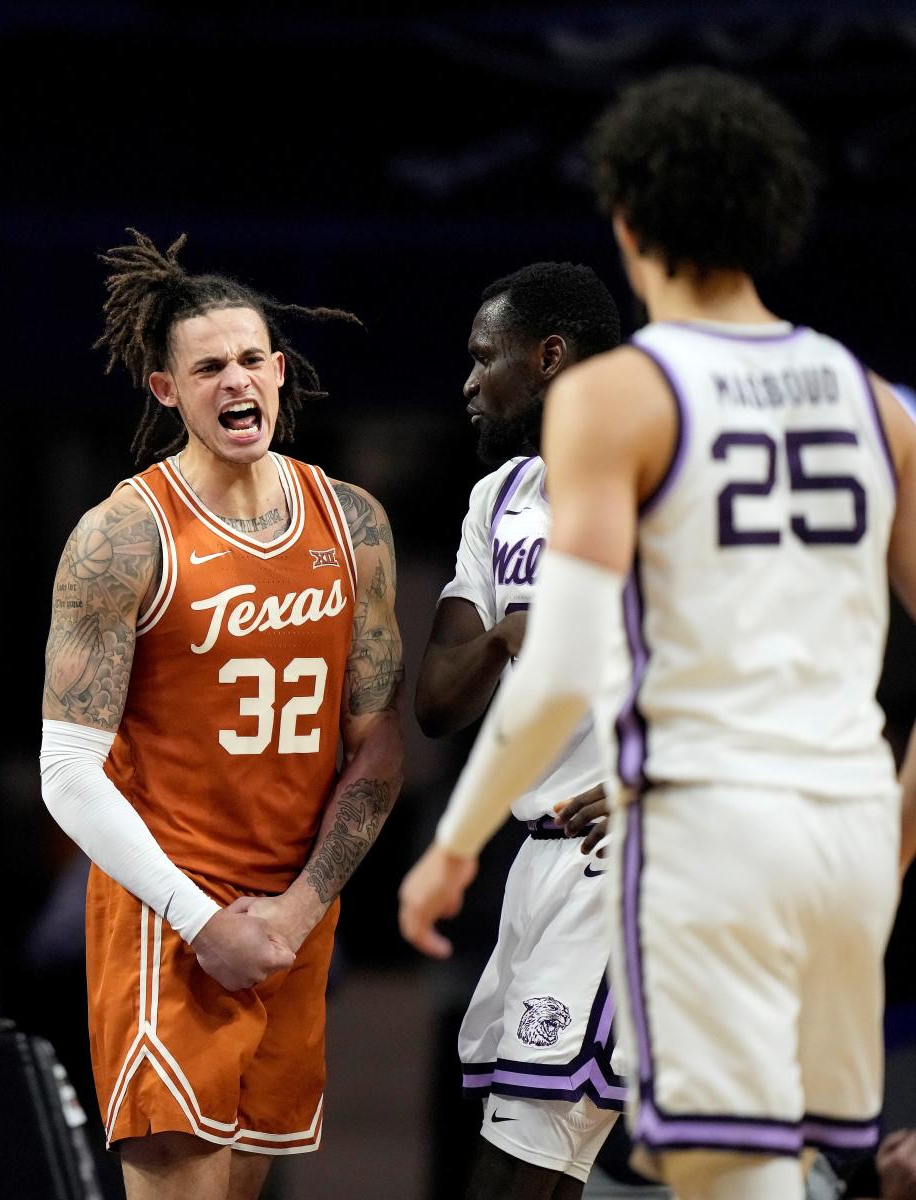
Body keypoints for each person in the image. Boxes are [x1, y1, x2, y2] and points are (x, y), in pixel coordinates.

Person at [399, 67, 916, 1200]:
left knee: (530, 1175)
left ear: (630, 224)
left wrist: (452, 845)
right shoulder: (872, 402)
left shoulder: (637, 411)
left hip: (641, 857)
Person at [40, 230, 403, 1200]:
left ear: (279, 373)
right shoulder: (123, 536)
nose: (235, 381)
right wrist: (204, 922)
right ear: (167, 391)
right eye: (208, 368)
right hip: (173, 918)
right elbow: (67, 772)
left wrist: (299, 908)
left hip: (292, 921)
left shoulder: (351, 522)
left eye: (250, 360)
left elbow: (376, 748)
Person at [415, 262, 627, 1200]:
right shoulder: (498, 498)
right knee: (540, 1165)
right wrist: (510, 631)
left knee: (515, 1174)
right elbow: (437, 702)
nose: (468, 382)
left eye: (482, 358)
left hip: (629, 857)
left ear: (549, 358)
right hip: (534, 859)